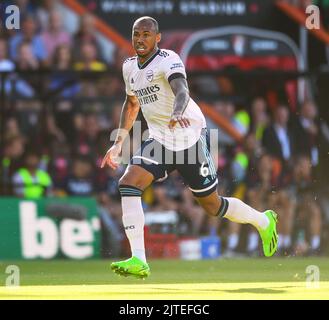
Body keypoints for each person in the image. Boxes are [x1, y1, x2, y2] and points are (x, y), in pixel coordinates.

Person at [101, 16, 278, 279]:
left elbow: (182, 90)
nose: (140, 39)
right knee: (129, 182)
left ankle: (263, 221)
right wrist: (118, 143)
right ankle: (139, 258)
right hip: (160, 139)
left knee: (212, 205)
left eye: (146, 34)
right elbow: (132, 103)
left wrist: (176, 112)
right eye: (136, 34)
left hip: (190, 138)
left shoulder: (168, 59)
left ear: (157, 38)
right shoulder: (129, 67)